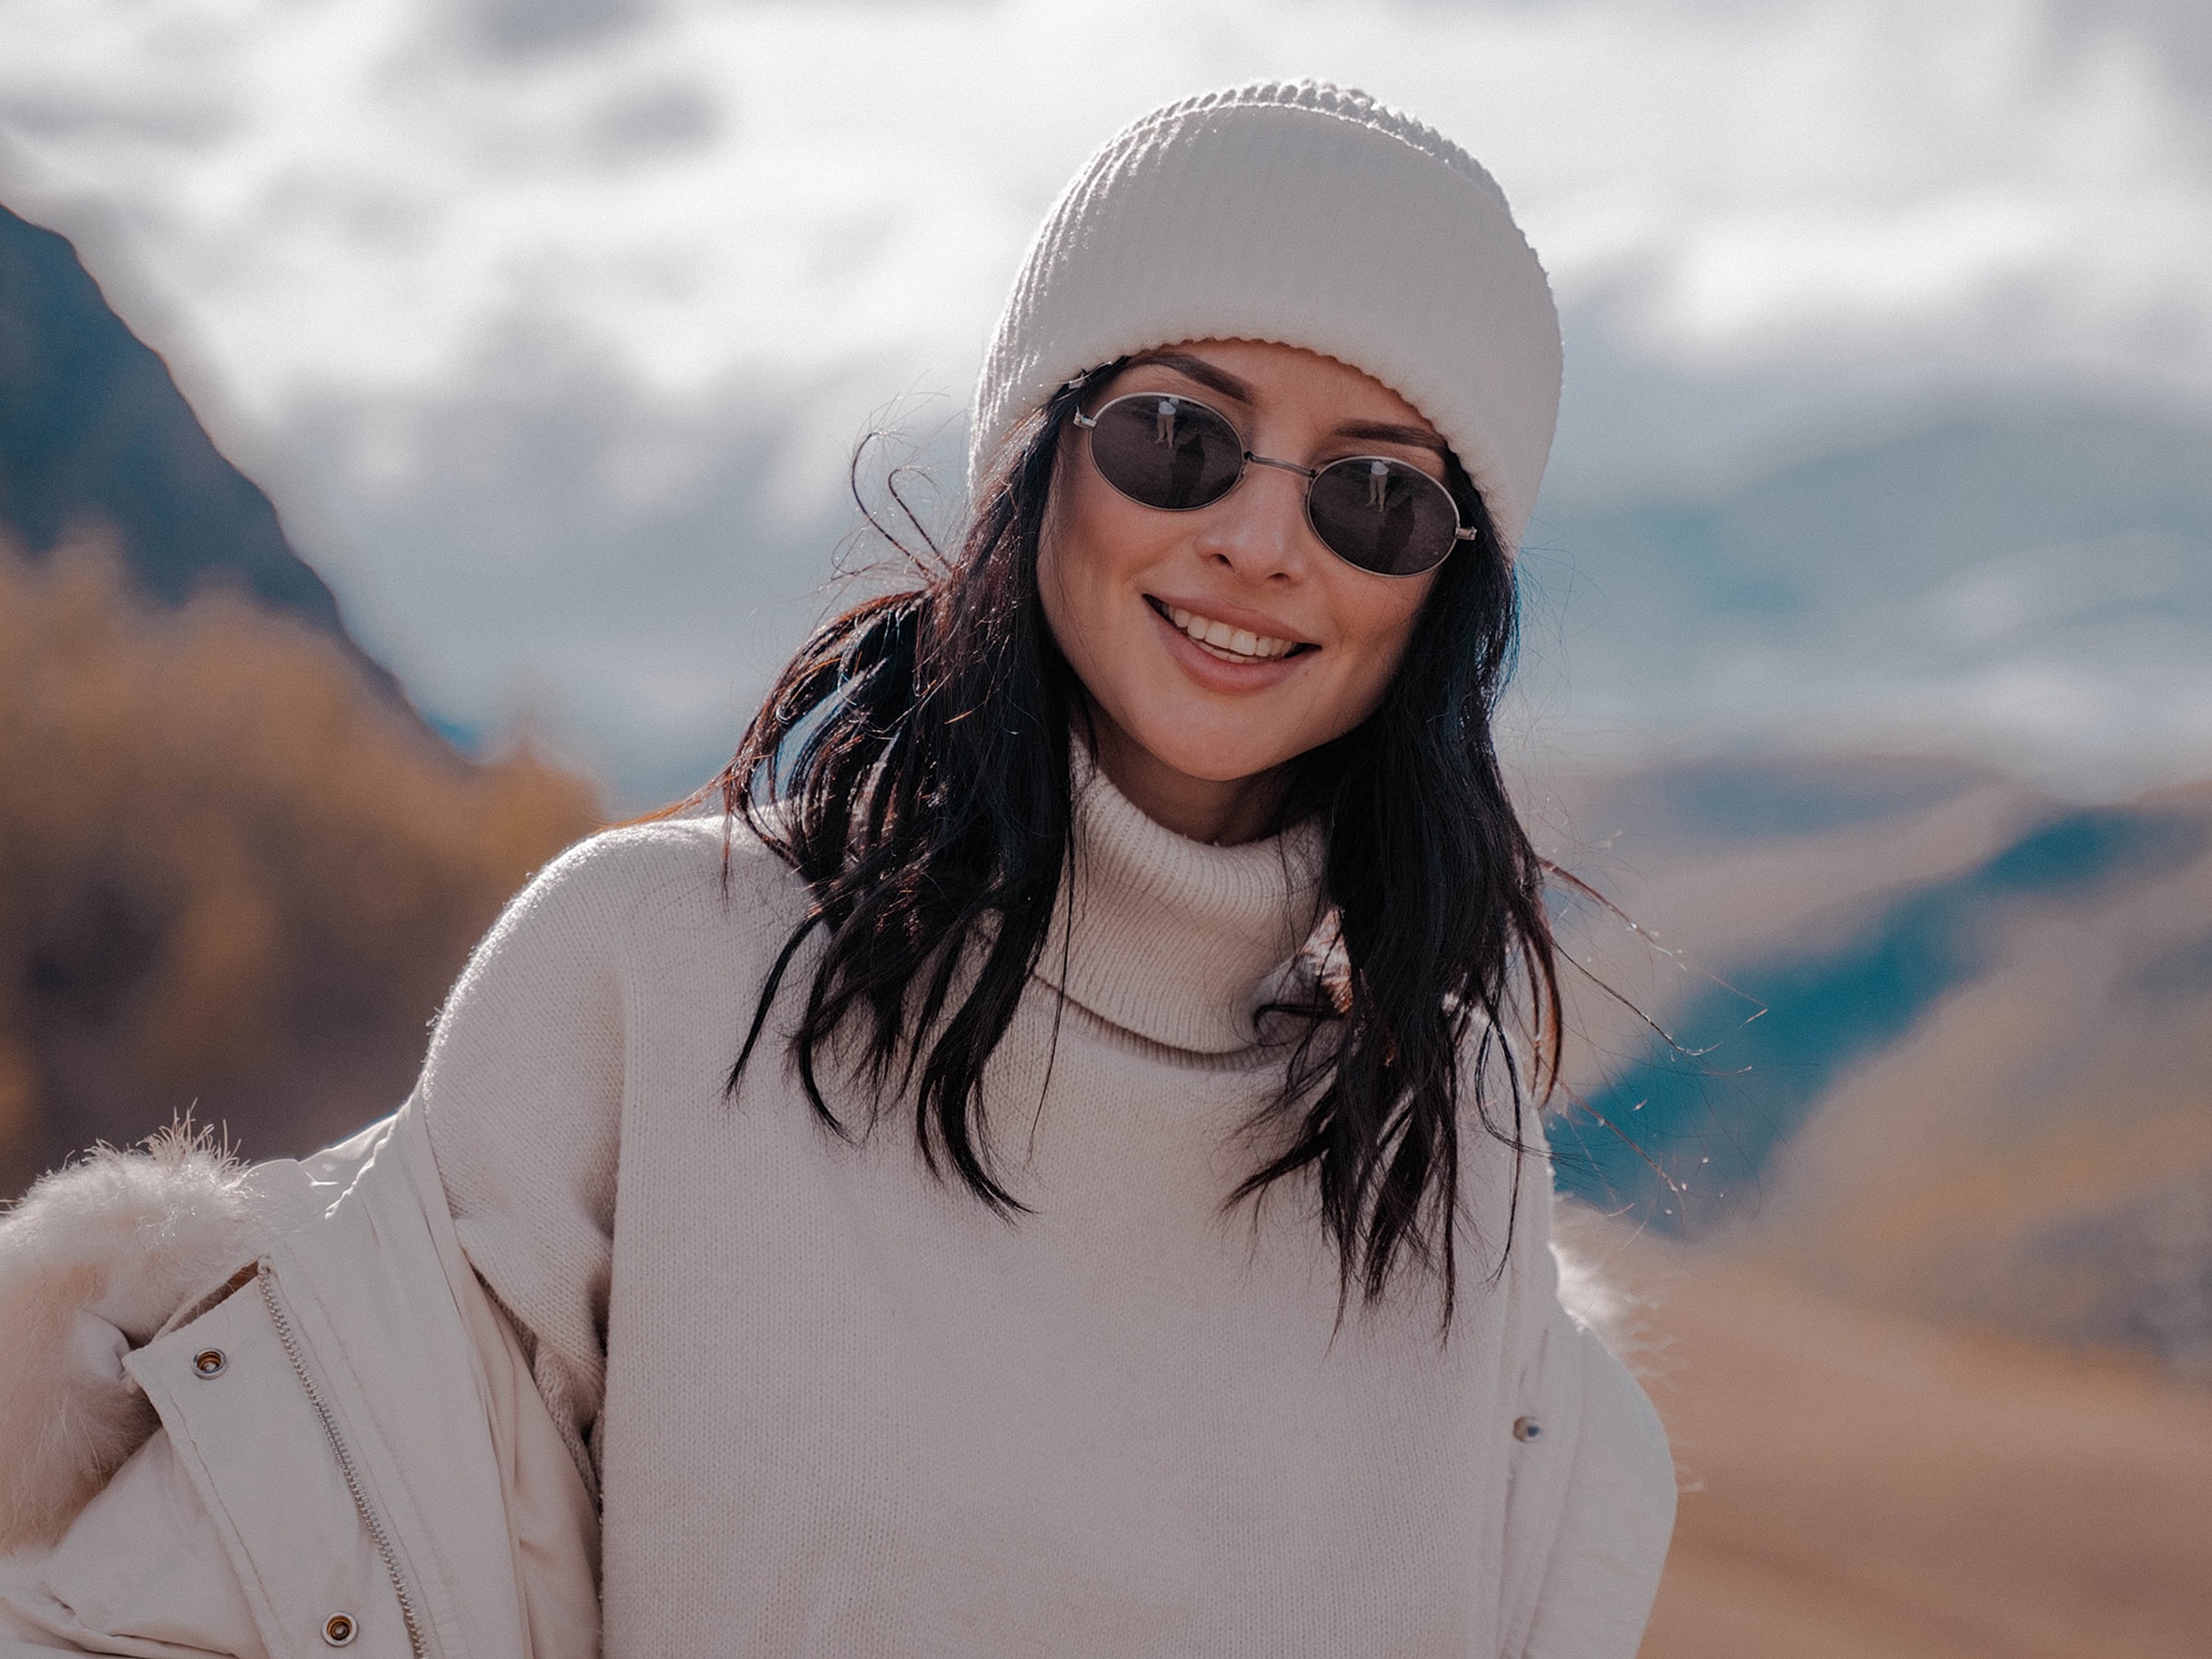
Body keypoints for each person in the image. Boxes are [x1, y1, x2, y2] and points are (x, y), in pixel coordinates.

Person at [0, 80, 1675, 1656]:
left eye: (1374, 497)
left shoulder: (1445, 1123)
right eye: (1180, 437)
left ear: (1445, 594)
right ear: (1040, 460)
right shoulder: (659, 972)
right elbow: (197, 1588)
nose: (1256, 539)